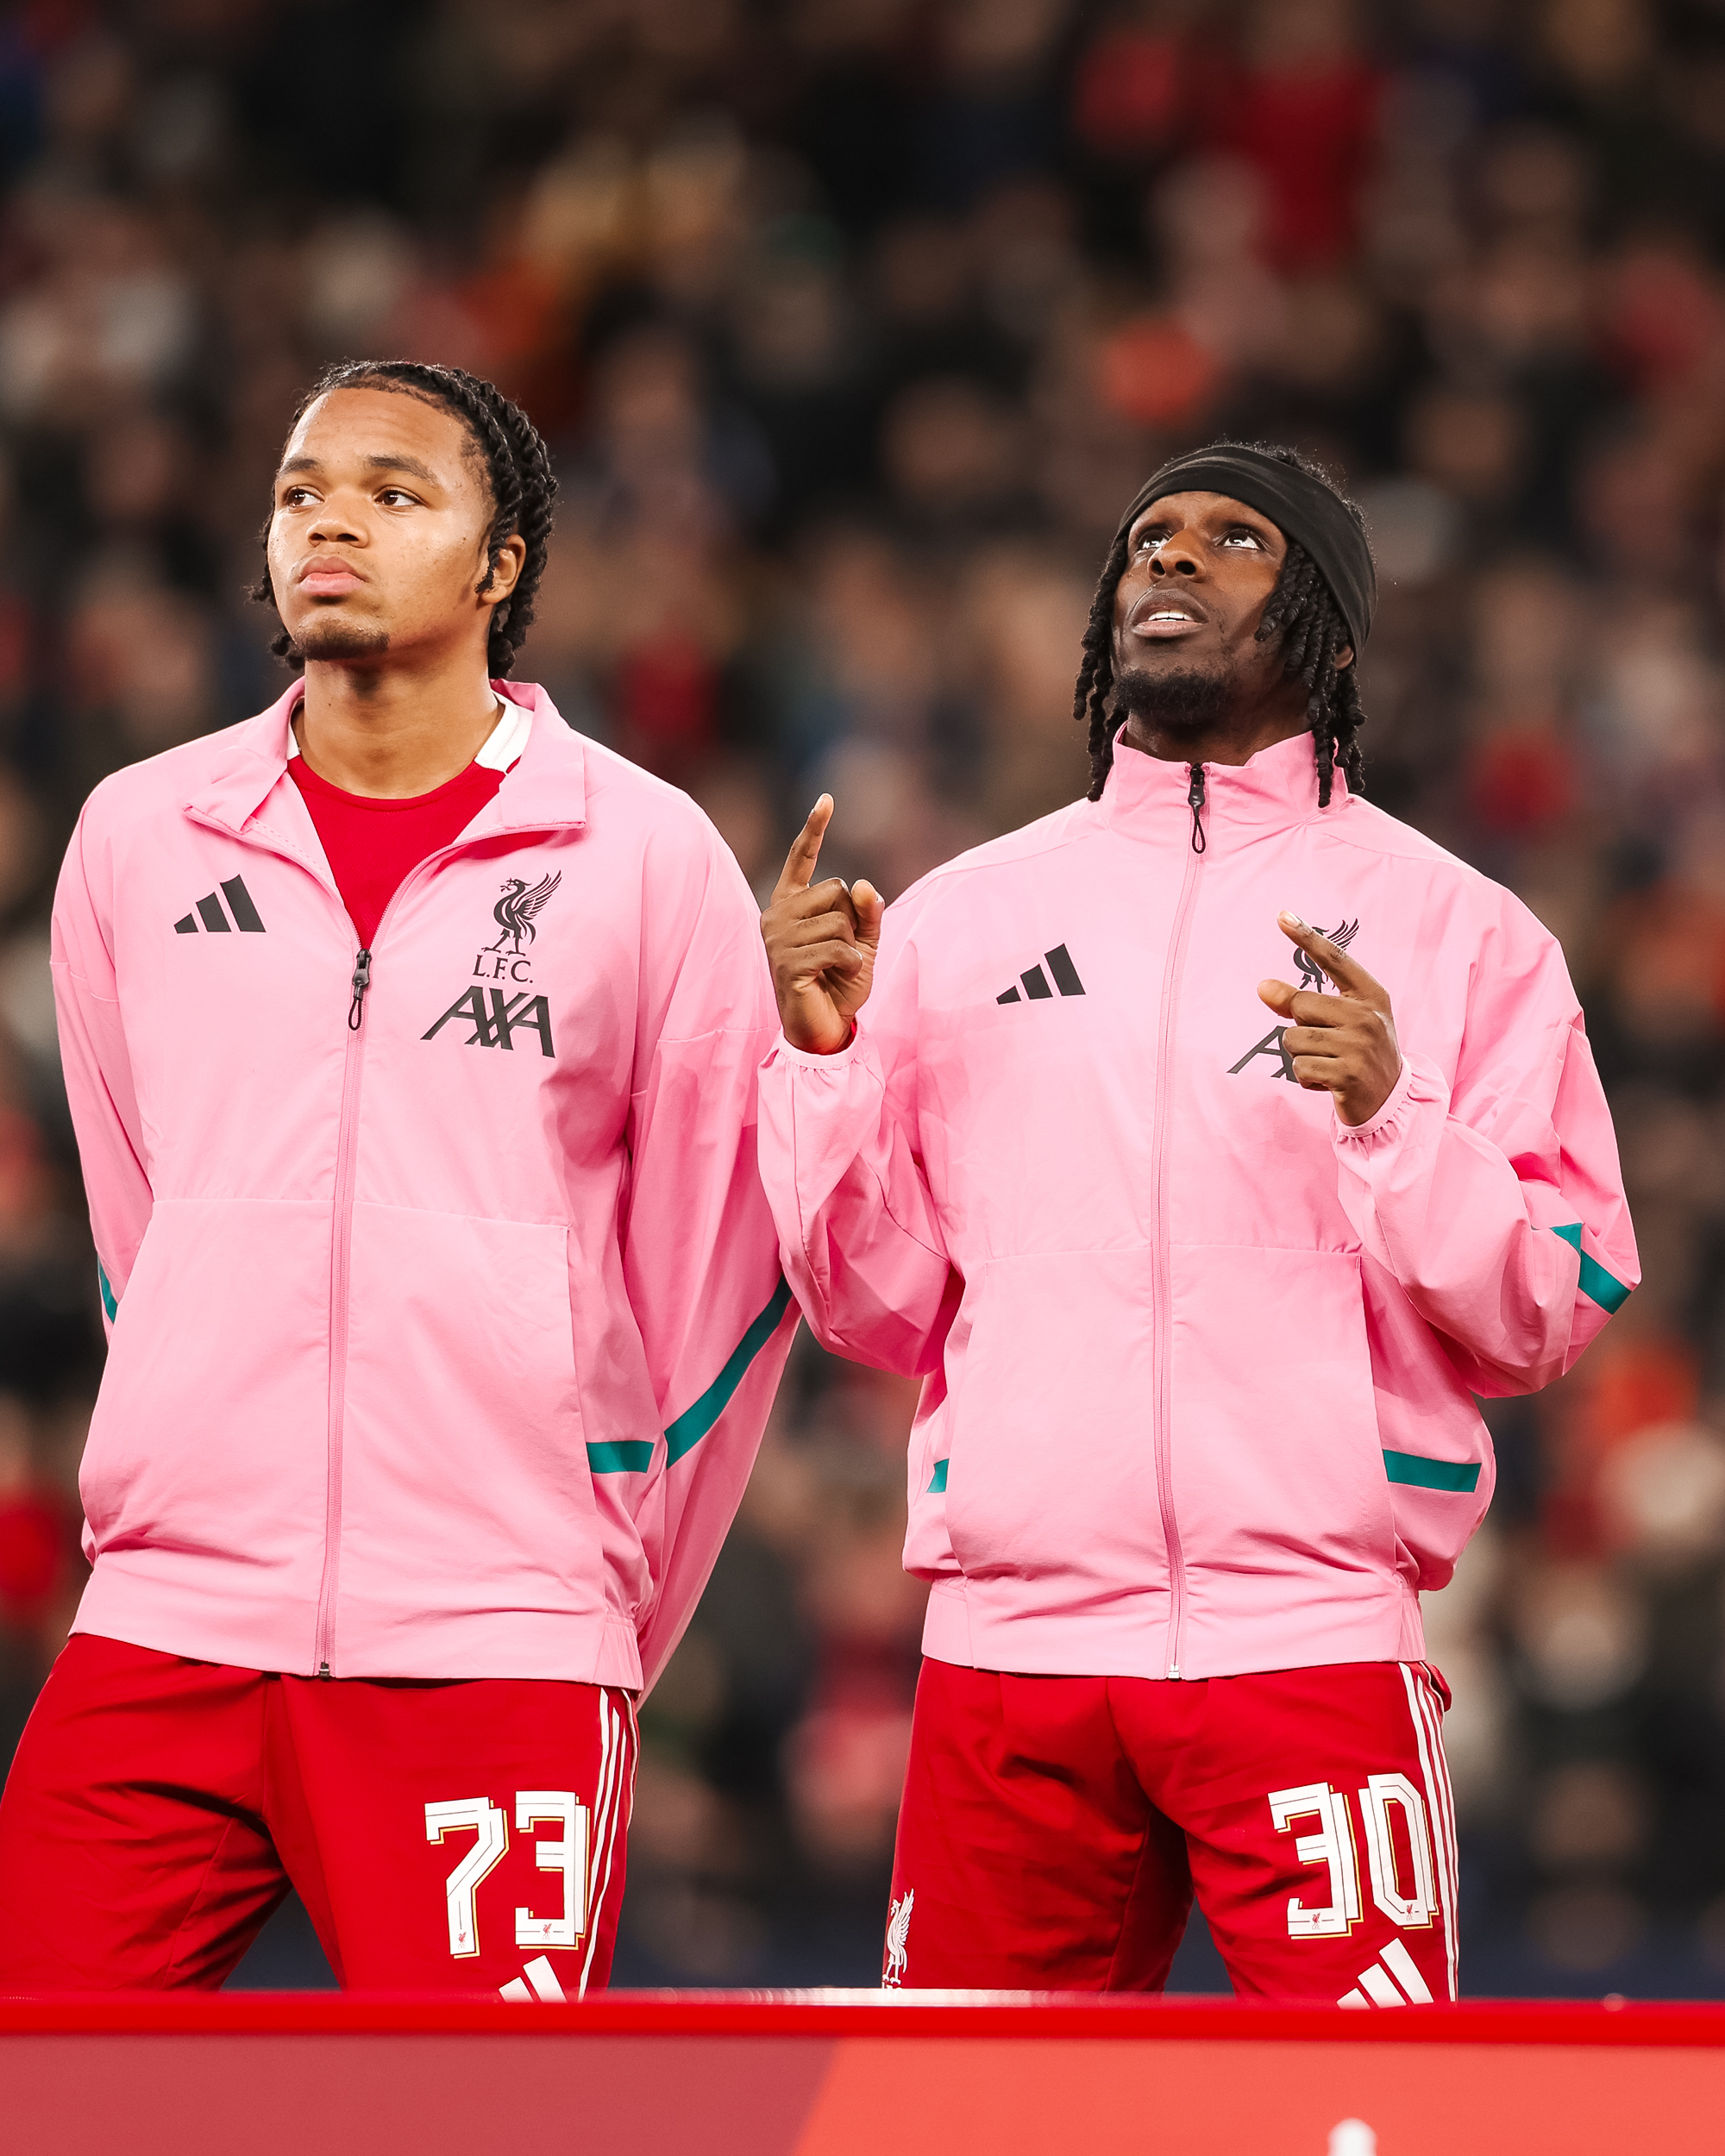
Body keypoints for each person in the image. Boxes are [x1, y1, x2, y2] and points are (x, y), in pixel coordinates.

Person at [756, 442, 1637, 2004]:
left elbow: (1549, 1310)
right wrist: (820, 1068)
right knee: (962, 2124)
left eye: (1235, 540)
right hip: (1013, 1655)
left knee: (1368, 2116)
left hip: (1313, 1640)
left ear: (1332, 636)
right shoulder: (961, 918)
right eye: (1148, 539)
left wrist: (1394, 1120)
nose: (1167, 559)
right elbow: (872, 1308)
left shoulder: (1465, 932)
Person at [0, 360, 794, 1997]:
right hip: (169, 1618)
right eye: (301, 492)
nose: (331, 524)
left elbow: (720, 1289)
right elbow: (143, 1229)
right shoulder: (138, 838)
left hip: (497, 1639)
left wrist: (589, 1604)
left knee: (483, 2118)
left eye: (393, 492)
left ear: (502, 564)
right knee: (33, 2080)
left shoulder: (648, 858)